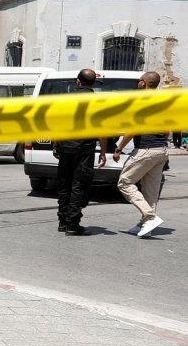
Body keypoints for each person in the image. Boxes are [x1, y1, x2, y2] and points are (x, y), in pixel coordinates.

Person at [114, 71, 169, 238]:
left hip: (146, 149)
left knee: (124, 182)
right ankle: (146, 226)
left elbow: (133, 128)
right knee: (150, 191)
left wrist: (119, 148)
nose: (138, 83)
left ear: (144, 83)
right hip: (161, 150)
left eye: (139, 80)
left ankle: (150, 217)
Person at [54, 69, 107, 236]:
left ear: (78, 82)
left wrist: (56, 144)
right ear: (93, 83)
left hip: (65, 147)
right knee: (79, 185)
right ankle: (72, 224)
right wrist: (103, 152)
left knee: (64, 184)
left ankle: (63, 222)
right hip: (84, 149)